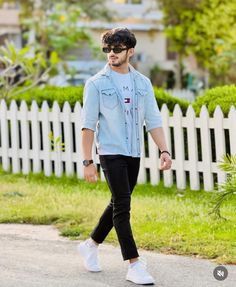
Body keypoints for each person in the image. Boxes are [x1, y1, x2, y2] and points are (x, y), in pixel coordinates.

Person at [78, 27, 172, 286]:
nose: (111, 54)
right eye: (107, 49)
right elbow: (88, 125)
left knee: (119, 202)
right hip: (110, 152)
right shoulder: (96, 83)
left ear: (130, 51)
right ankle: (134, 263)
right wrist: (88, 162)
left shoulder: (143, 83)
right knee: (123, 205)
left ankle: (90, 244)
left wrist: (164, 150)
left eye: (117, 49)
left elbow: (153, 120)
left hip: (133, 152)